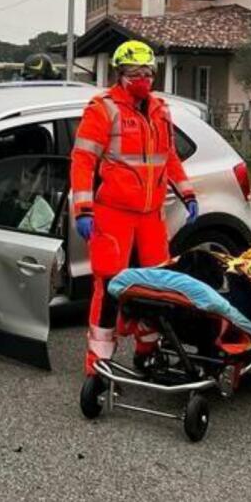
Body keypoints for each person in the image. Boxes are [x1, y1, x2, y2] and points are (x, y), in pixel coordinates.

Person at [71, 40, 198, 376]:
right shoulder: (103, 109)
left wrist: (188, 194)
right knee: (109, 287)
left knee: (157, 285)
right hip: (113, 213)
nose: (143, 78)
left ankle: (148, 351)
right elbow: (83, 160)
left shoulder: (160, 110)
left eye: (147, 72)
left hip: (151, 216)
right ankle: (98, 365)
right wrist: (83, 209)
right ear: (120, 74)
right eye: (134, 73)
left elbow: (169, 157)